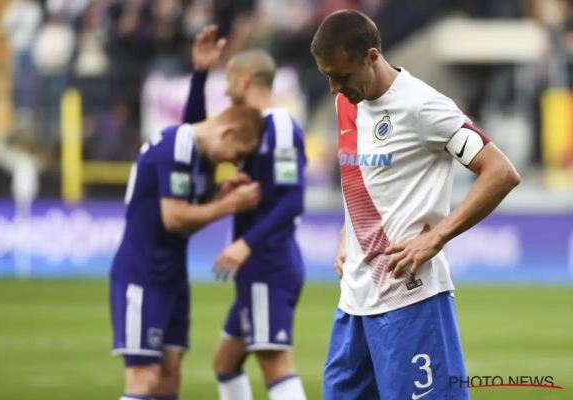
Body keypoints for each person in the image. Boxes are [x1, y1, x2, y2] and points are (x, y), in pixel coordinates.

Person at [310, 10, 521, 400]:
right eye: (327, 76)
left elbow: (500, 172)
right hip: (354, 304)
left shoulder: (424, 107)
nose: (334, 87)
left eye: (341, 75)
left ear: (372, 57)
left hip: (410, 302)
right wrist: (346, 233)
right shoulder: (347, 102)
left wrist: (436, 237)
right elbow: (366, 180)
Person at [182, 26, 308, 400]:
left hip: (269, 265)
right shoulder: (253, 128)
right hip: (256, 268)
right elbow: (195, 133)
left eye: (228, 80)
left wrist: (245, 244)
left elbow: (293, 200)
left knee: (276, 365)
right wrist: (199, 73)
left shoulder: (280, 128)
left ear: (245, 80)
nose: (225, 90)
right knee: (225, 362)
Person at [110, 104, 265, 400]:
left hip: (172, 277)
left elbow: (182, 224)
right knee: (144, 377)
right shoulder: (177, 146)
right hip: (141, 275)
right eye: (239, 153)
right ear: (227, 133)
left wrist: (218, 198)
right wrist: (229, 205)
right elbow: (174, 217)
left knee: (169, 376)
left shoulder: (200, 158)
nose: (235, 161)